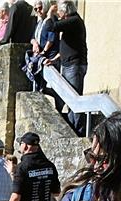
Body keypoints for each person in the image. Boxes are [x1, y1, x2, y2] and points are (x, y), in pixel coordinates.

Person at [45, 0, 88, 133]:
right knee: (69, 99)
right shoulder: (73, 22)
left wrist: (49, 14)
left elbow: (51, 26)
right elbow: (69, 46)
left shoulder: (74, 20)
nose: (58, 13)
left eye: (60, 11)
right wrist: (55, 59)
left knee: (73, 99)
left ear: (65, 11)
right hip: (70, 64)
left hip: (74, 65)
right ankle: (72, 128)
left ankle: (77, 131)